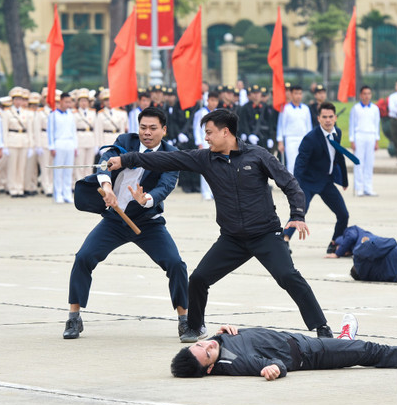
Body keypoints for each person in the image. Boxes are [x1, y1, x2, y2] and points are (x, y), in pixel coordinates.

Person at [106, 109, 333, 343]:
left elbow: (290, 183)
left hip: (265, 235)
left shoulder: (258, 156)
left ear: (226, 132)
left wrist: (297, 214)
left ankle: (321, 327)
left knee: (288, 276)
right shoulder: (205, 159)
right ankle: (195, 327)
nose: (205, 138)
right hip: (232, 239)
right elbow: (166, 159)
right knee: (198, 279)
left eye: (209, 133)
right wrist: (125, 159)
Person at [64, 107, 189, 339]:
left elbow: (166, 185)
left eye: (153, 128)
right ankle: (74, 318)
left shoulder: (171, 154)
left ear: (164, 130)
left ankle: (184, 321)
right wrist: (107, 188)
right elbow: (105, 160)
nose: (147, 133)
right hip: (115, 219)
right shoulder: (126, 141)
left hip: (148, 222)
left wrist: (147, 199)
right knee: (83, 258)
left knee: (175, 263)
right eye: (143, 128)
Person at [171, 316, 397, 379]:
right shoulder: (237, 364)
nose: (208, 343)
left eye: (202, 344)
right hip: (309, 354)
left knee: (352, 348)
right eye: (207, 351)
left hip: (302, 342)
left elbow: (215, 341)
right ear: (209, 367)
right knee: (372, 352)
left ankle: (344, 343)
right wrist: (273, 370)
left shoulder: (220, 342)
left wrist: (221, 334)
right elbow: (273, 365)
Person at [294, 102, 355, 254]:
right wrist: (295, 185)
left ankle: (334, 243)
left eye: (330, 117)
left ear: (335, 118)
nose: (328, 120)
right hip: (308, 182)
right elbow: (300, 163)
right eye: (324, 117)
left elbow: (339, 157)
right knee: (300, 212)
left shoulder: (337, 133)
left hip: (326, 182)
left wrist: (344, 181)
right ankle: (284, 241)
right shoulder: (311, 138)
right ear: (318, 119)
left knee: (343, 214)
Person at [348, 85, 380, 197]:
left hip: (371, 136)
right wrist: (352, 139)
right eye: (364, 94)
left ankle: (368, 187)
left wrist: (377, 140)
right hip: (359, 136)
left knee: (369, 163)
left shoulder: (375, 109)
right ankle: (359, 188)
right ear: (361, 95)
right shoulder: (356, 108)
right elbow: (352, 125)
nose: (367, 96)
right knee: (359, 163)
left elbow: (376, 125)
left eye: (369, 93)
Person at [2, 87, 33, 198]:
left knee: (21, 167)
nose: (18, 101)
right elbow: (4, 130)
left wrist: (31, 145)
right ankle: (12, 189)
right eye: (16, 99)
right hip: (12, 141)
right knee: (12, 167)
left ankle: (20, 188)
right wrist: (5, 145)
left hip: (24, 141)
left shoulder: (27, 113)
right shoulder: (7, 113)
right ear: (13, 100)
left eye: (20, 99)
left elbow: (30, 130)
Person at [48, 92, 77, 204]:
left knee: (68, 170)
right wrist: (51, 146)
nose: (68, 104)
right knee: (58, 170)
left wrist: (75, 146)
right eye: (66, 102)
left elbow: (73, 131)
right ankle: (58, 194)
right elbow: (50, 132)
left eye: (70, 102)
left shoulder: (71, 114)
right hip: (58, 143)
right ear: (61, 101)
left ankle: (67, 193)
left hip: (69, 143)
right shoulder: (53, 114)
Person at [276, 85, 312, 175]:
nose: (298, 96)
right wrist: (280, 142)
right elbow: (281, 126)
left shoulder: (305, 109)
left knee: (304, 163)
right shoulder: (285, 109)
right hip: (290, 139)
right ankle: (292, 187)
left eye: (300, 93)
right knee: (292, 164)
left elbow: (309, 127)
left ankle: (302, 187)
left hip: (303, 139)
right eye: (296, 93)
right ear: (291, 94)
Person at [192, 91, 219, 201]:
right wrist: (199, 143)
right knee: (205, 168)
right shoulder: (201, 112)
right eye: (211, 100)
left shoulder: (218, 113)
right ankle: (205, 192)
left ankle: (213, 191)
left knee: (216, 169)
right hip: (204, 143)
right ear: (207, 100)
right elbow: (196, 129)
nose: (213, 103)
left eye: (215, 100)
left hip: (216, 144)